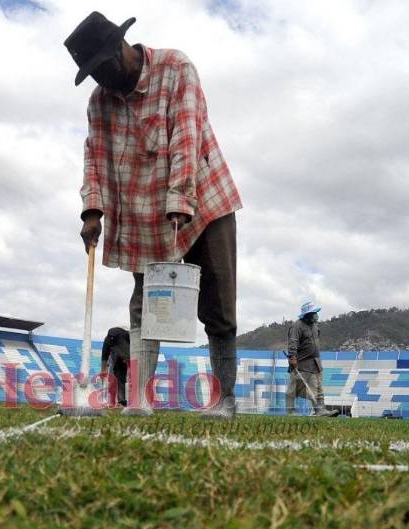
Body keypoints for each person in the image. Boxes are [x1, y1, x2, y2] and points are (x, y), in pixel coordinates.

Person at [65, 12, 243, 419]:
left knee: (218, 305)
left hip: (203, 203)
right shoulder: (100, 101)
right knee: (145, 304)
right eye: (92, 75)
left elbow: (187, 137)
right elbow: (94, 156)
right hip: (144, 208)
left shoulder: (176, 69)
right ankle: (140, 399)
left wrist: (180, 199)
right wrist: (92, 209)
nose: (100, 80)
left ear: (120, 49)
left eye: (102, 69)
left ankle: (224, 399)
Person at [286, 302, 339, 417]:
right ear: (307, 314)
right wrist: (293, 357)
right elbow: (293, 342)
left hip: (315, 363)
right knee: (294, 388)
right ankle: (290, 411)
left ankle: (320, 410)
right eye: (314, 313)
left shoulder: (315, 327)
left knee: (318, 389)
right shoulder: (297, 326)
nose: (316, 315)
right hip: (301, 363)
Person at [101, 326, 130, 407]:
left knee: (121, 377)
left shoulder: (126, 336)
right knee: (115, 377)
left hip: (126, 356)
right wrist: (103, 372)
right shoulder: (108, 341)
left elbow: (104, 358)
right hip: (118, 358)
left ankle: (120, 401)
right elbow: (104, 358)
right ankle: (114, 401)